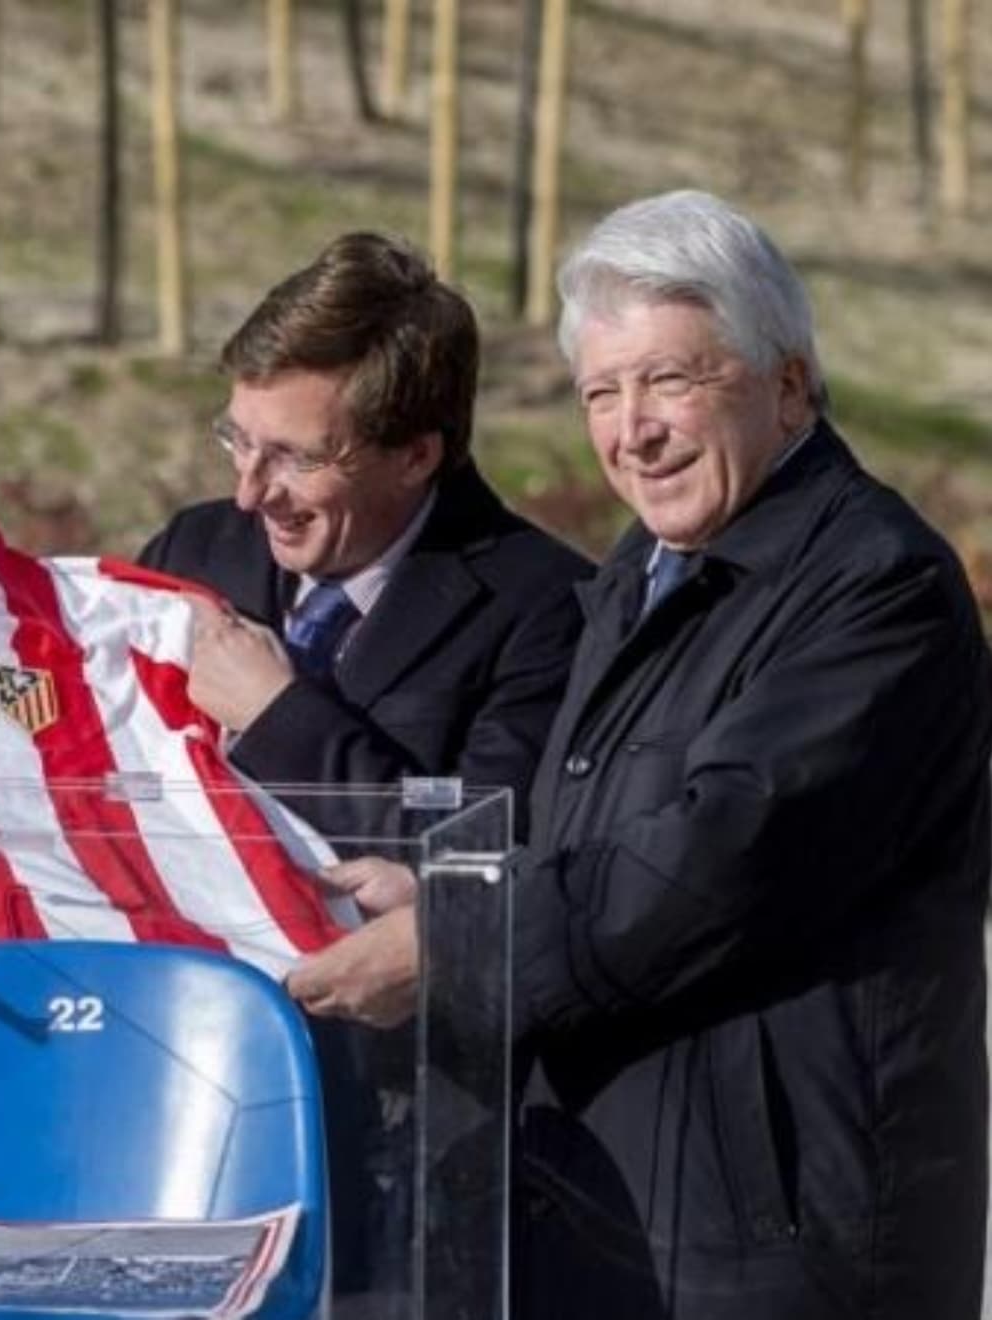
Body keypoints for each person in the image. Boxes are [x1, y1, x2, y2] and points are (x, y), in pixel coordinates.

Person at [300, 191, 992, 1319]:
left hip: (779, 1248)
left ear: (789, 384)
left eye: (671, 380)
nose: (633, 430)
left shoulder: (878, 587)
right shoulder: (645, 569)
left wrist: (458, 942)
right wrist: (448, 892)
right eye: (600, 394)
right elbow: (596, 838)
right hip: (614, 1210)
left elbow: (720, 859)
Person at [139, 233, 590, 1296]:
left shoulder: (547, 609)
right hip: (180, 1096)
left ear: (417, 454)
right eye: (237, 441)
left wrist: (280, 717)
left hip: (403, 1149)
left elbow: (479, 866)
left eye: (297, 458)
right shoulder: (196, 552)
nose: (251, 493)